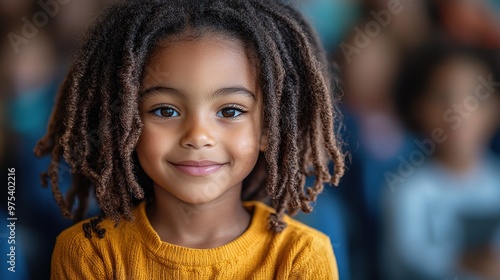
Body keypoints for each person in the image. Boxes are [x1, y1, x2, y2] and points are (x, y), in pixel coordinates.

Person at [34, 0, 346, 279]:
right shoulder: (90, 254)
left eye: (230, 111)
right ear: (125, 123)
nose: (198, 136)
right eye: (166, 110)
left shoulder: (301, 258)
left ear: (268, 130)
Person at [383, 42, 500, 280]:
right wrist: (465, 262)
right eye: (442, 97)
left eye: (474, 97)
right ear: (418, 109)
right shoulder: (407, 191)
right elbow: (406, 260)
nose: (458, 110)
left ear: (494, 108)